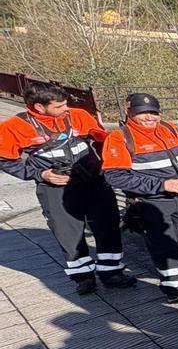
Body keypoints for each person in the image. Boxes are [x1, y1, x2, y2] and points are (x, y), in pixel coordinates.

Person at [0, 84, 135, 294]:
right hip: (55, 186)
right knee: (68, 233)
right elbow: (6, 160)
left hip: (93, 179)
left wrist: (109, 162)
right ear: (39, 106)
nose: (66, 109)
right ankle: (83, 276)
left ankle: (112, 272)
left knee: (107, 224)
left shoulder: (78, 115)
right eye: (59, 106)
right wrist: (40, 174)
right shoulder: (14, 126)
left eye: (66, 104)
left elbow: (102, 140)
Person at [101, 93, 178, 303]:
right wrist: (161, 185)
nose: (150, 118)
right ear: (129, 112)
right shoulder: (120, 137)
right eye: (143, 113)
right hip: (152, 202)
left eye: (153, 113)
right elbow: (114, 176)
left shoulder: (167, 128)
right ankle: (173, 286)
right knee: (163, 243)